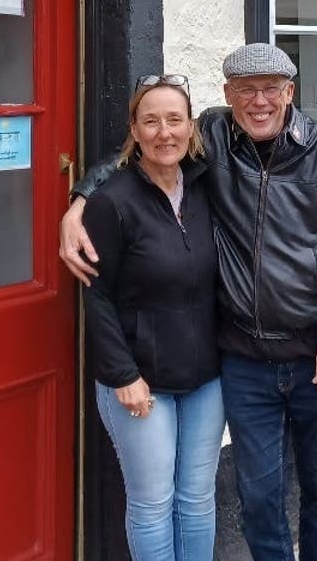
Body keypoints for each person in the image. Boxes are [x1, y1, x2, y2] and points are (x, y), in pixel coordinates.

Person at [63, 44, 317, 561]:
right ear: (227, 96)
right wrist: (79, 201)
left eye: (271, 88)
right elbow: (142, 149)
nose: (259, 101)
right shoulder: (212, 136)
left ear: (290, 92)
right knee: (257, 500)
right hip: (244, 362)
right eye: (245, 90)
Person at [82, 74, 225, 561]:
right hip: (140, 380)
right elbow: (97, 297)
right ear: (135, 131)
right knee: (152, 503)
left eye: (175, 120)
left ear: (191, 128)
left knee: (197, 499)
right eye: (151, 121)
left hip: (206, 376)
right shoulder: (112, 202)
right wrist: (123, 375)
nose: (165, 133)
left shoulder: (207, 187)